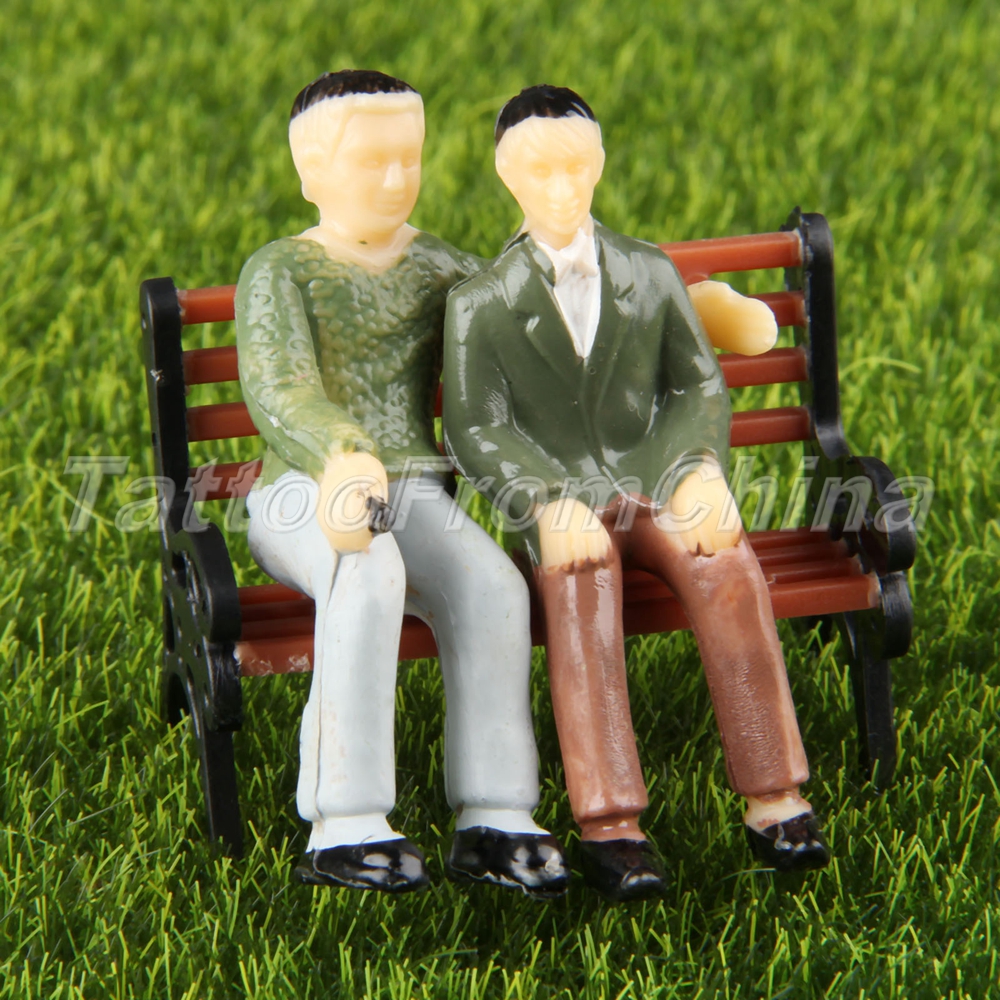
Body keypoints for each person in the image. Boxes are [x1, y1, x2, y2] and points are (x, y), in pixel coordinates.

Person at [443, 84, 830, 902]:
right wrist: (545, 500)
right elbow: (476, 427)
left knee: (724, 562)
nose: (562, 186)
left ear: (600, 164)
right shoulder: (480, 302)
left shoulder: (647, 272)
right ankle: (611, 823)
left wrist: (694, 468)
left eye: (576, 166)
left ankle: (776, 796)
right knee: (581, 587)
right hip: (562, 505)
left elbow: (697, 385)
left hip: (653, 477)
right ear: (508, 175)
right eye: (541, 170)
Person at [236, 70, 568, 897]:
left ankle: (495, 813)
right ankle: (344, 821)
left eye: (408, 159)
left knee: (491, 587)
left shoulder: (434, 266)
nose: (394, 179)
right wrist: (343, 450)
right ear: (311, 170)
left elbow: (517, 310)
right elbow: (280, 389)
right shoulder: (282, 271)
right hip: (306, 488)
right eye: (370, 161)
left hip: (408, 491)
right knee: (368, 568)